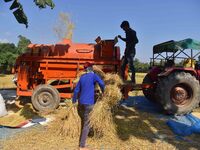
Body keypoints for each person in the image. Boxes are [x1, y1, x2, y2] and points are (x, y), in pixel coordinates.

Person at [72, 62, 105, 150]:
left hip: (81, 103)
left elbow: (76, 91)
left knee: (85, 120)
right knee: (87, 123)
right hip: (89, 103)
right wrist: (103, 91)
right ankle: (82, 146)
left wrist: (74, 101)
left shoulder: (82, 77)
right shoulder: (94, 76)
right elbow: (101, 83)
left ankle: (88, 133)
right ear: (91, 68)